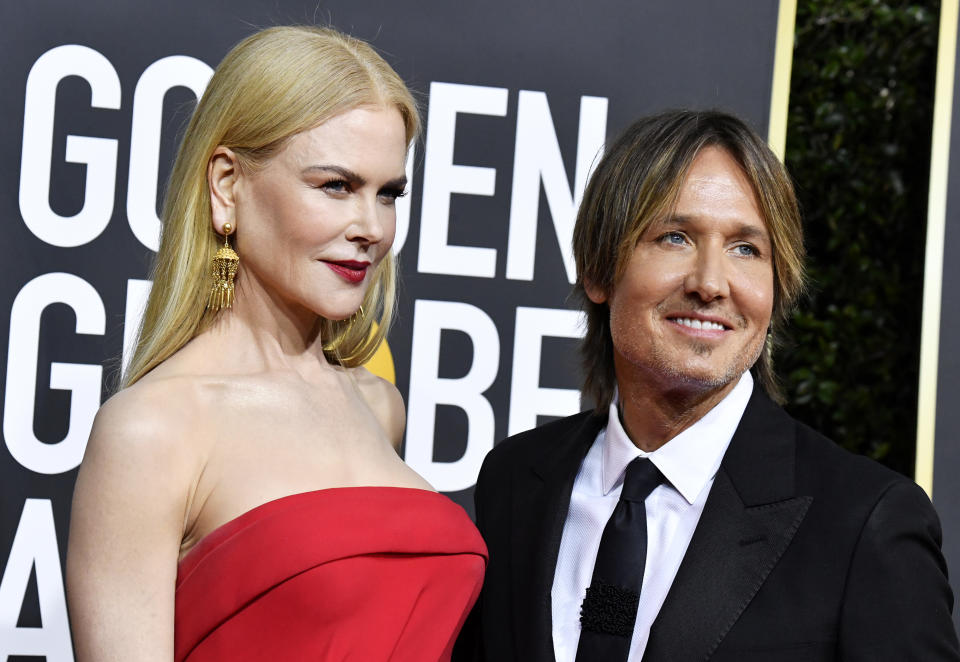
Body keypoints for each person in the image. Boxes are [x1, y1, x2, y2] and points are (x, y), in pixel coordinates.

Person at [455, 110, 960, 661]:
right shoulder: (515, 481)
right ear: (598, 270)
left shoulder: (866, 524)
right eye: (675, 238)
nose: (711, 284)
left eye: (746, 249)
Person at [67, 26, 486, 662]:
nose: (371, 228)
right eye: (335, 186)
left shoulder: (379, 407)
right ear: (228, 185)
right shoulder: (153, 431)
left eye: (389, 193)